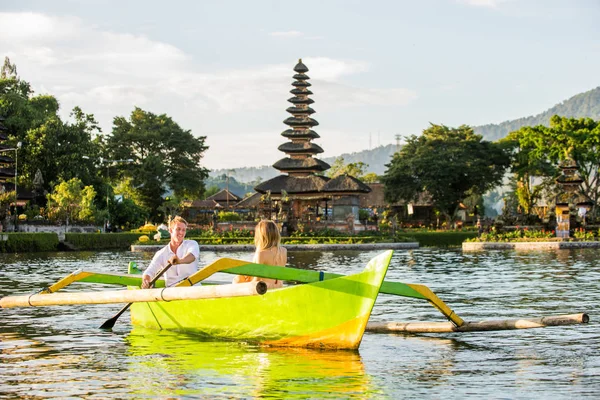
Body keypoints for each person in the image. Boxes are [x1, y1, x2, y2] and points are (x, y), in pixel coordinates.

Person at [142, 216, 200, 288]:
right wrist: (146, 281)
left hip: (193, 289)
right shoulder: (161, 253)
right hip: (172, 293)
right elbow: (149, 272)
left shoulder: (192, 244)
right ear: (170, 230)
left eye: (183, 230)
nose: (181, 233)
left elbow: (192, 257)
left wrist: (180, 261)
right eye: (178, 229)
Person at [233, 219, 287, 289]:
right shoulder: (283, 251)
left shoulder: (261, 254)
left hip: (264, 289)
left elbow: (257, 280)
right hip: (279, 287)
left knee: (238, 278)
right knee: (244, 275)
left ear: (261, 236)